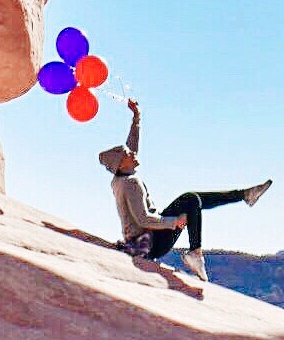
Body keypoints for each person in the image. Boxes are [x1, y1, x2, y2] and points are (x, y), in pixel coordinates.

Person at [98, 98, 271, 282]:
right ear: (121, 164)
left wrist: (136, 118)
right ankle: (195, 253)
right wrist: (175, 222)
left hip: (147, 239)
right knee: (190, 199)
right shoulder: (130, 183)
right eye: (127, 155)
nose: (133, 153)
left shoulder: (121, 177)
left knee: (193, 199)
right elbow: (143, 218)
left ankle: (244, 195)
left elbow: (132, 146)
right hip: (150, 243)